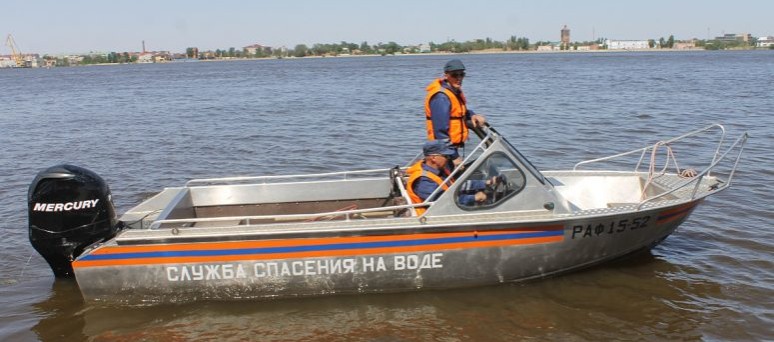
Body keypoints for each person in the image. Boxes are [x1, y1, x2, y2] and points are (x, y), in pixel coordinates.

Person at [424, 59, 487, 167]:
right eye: (454, 75)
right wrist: (454, 156)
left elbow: (460, 113)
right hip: (442, 152)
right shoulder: (441, 97)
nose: (459, 78)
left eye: (461, 74)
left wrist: (473, 115)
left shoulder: (454, 92)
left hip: (450, 149)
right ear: (446, 75)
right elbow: (440, 132)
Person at [407, 141, 495, 215]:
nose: (448, 159)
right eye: (445, 156)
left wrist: (485, 183)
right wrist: (474, 197)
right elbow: (445, 203)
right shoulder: (423, 181)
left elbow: (455, 185)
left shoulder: (439, 171)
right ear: (433, 158)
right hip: (433, 218)